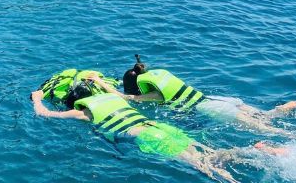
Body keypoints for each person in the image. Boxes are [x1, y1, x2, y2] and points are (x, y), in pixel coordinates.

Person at [32, 78, 252, 182]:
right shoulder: (109, 97)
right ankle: (251, 151)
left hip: (148, 136)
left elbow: (45, 114)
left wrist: (37, 98)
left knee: (203, 166)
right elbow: (124, 95)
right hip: (160, 126)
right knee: (209, 154)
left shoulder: (83, 113)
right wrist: (99, 80)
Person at [118, 56, 296, 135]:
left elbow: (130, 98)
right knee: (262, 117)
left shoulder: (155, 95)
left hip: (211, 108)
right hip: (217, 100)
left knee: (262, 128)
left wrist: (101, 83)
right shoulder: (160, 76)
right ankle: (276, 111)